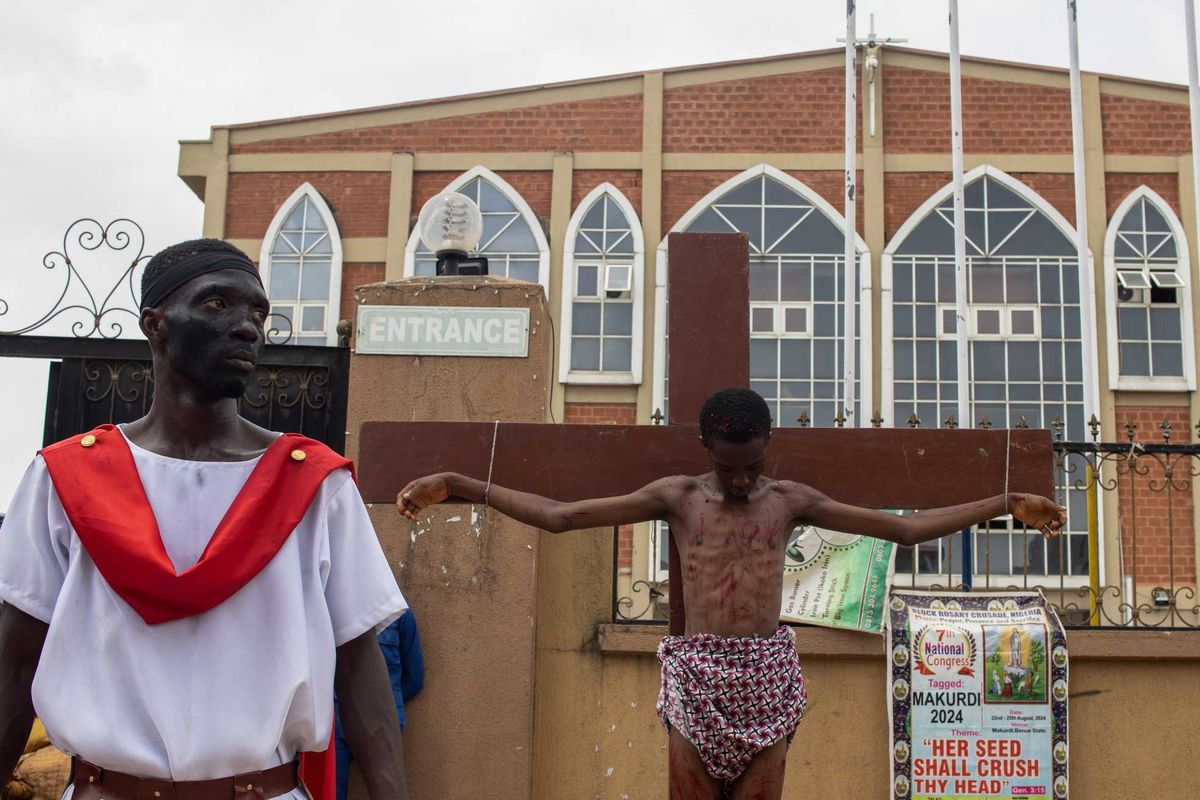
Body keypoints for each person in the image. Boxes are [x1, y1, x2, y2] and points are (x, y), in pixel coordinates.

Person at [396, 388, 1066, 800]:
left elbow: (907, 530)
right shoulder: (679, 498)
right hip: (695, 675)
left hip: (767, 677)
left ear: (768, 448)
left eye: (752, 467)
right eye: (728, 467)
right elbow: (563, 516)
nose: (742, 482)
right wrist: (462, 484)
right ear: (705, 447)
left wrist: (1005, 502)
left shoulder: (790, 502)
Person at [0, 239, 409, 800]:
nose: (248, 327)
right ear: (156, 323)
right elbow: (15, 662)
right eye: (218, 304)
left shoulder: (316, 486)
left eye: (258, 313)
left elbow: (358, 660)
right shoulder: (62, 479)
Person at [334, 611, 424, 800]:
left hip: (378, 726)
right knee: (333, 791)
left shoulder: (400, 613)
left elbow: (415, 677)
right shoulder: (336, 609)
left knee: (387, 790)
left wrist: (386, 707)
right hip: (337, 725)